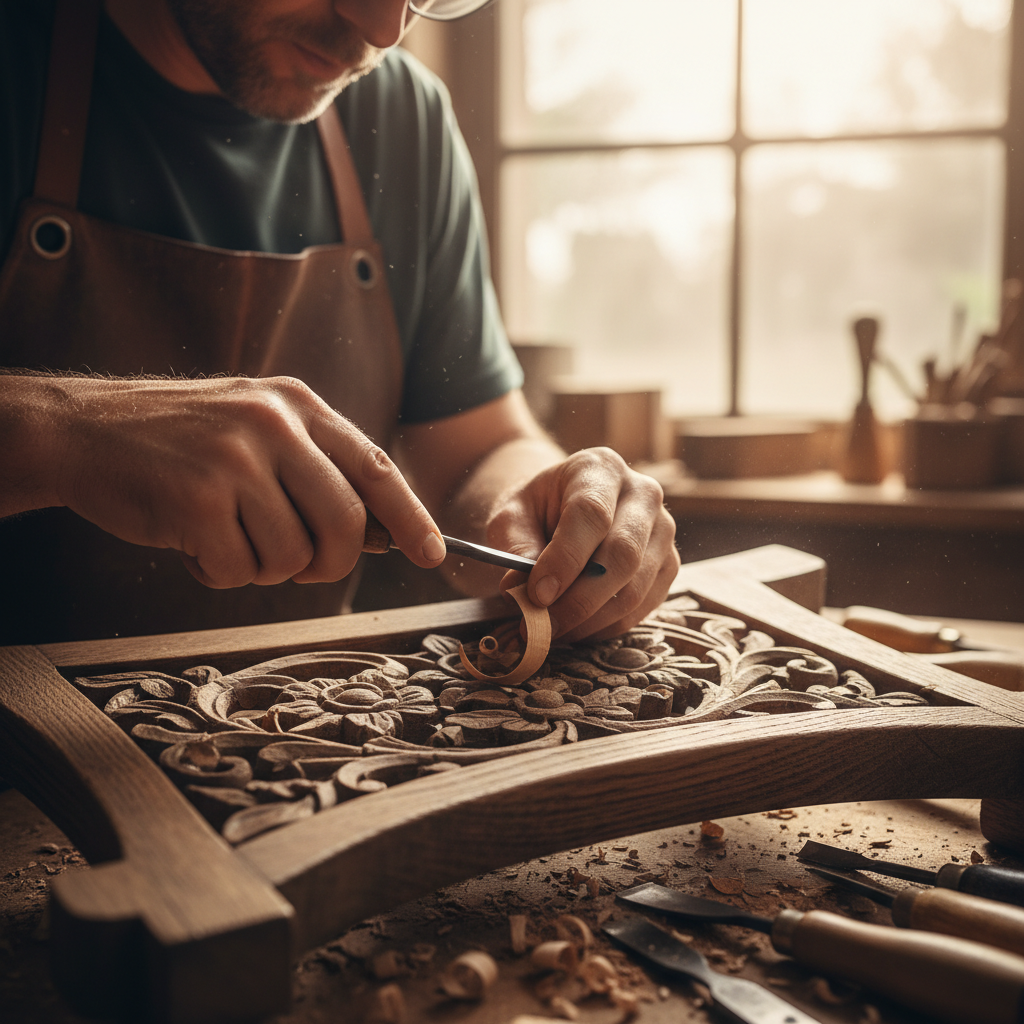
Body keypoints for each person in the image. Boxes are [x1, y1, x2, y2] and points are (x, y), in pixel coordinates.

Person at [0, 0, 678, 645]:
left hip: (305, 712)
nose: (383, 31)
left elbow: (477, 451)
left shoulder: (400, 115)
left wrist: (541, 509)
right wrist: (68, 433)